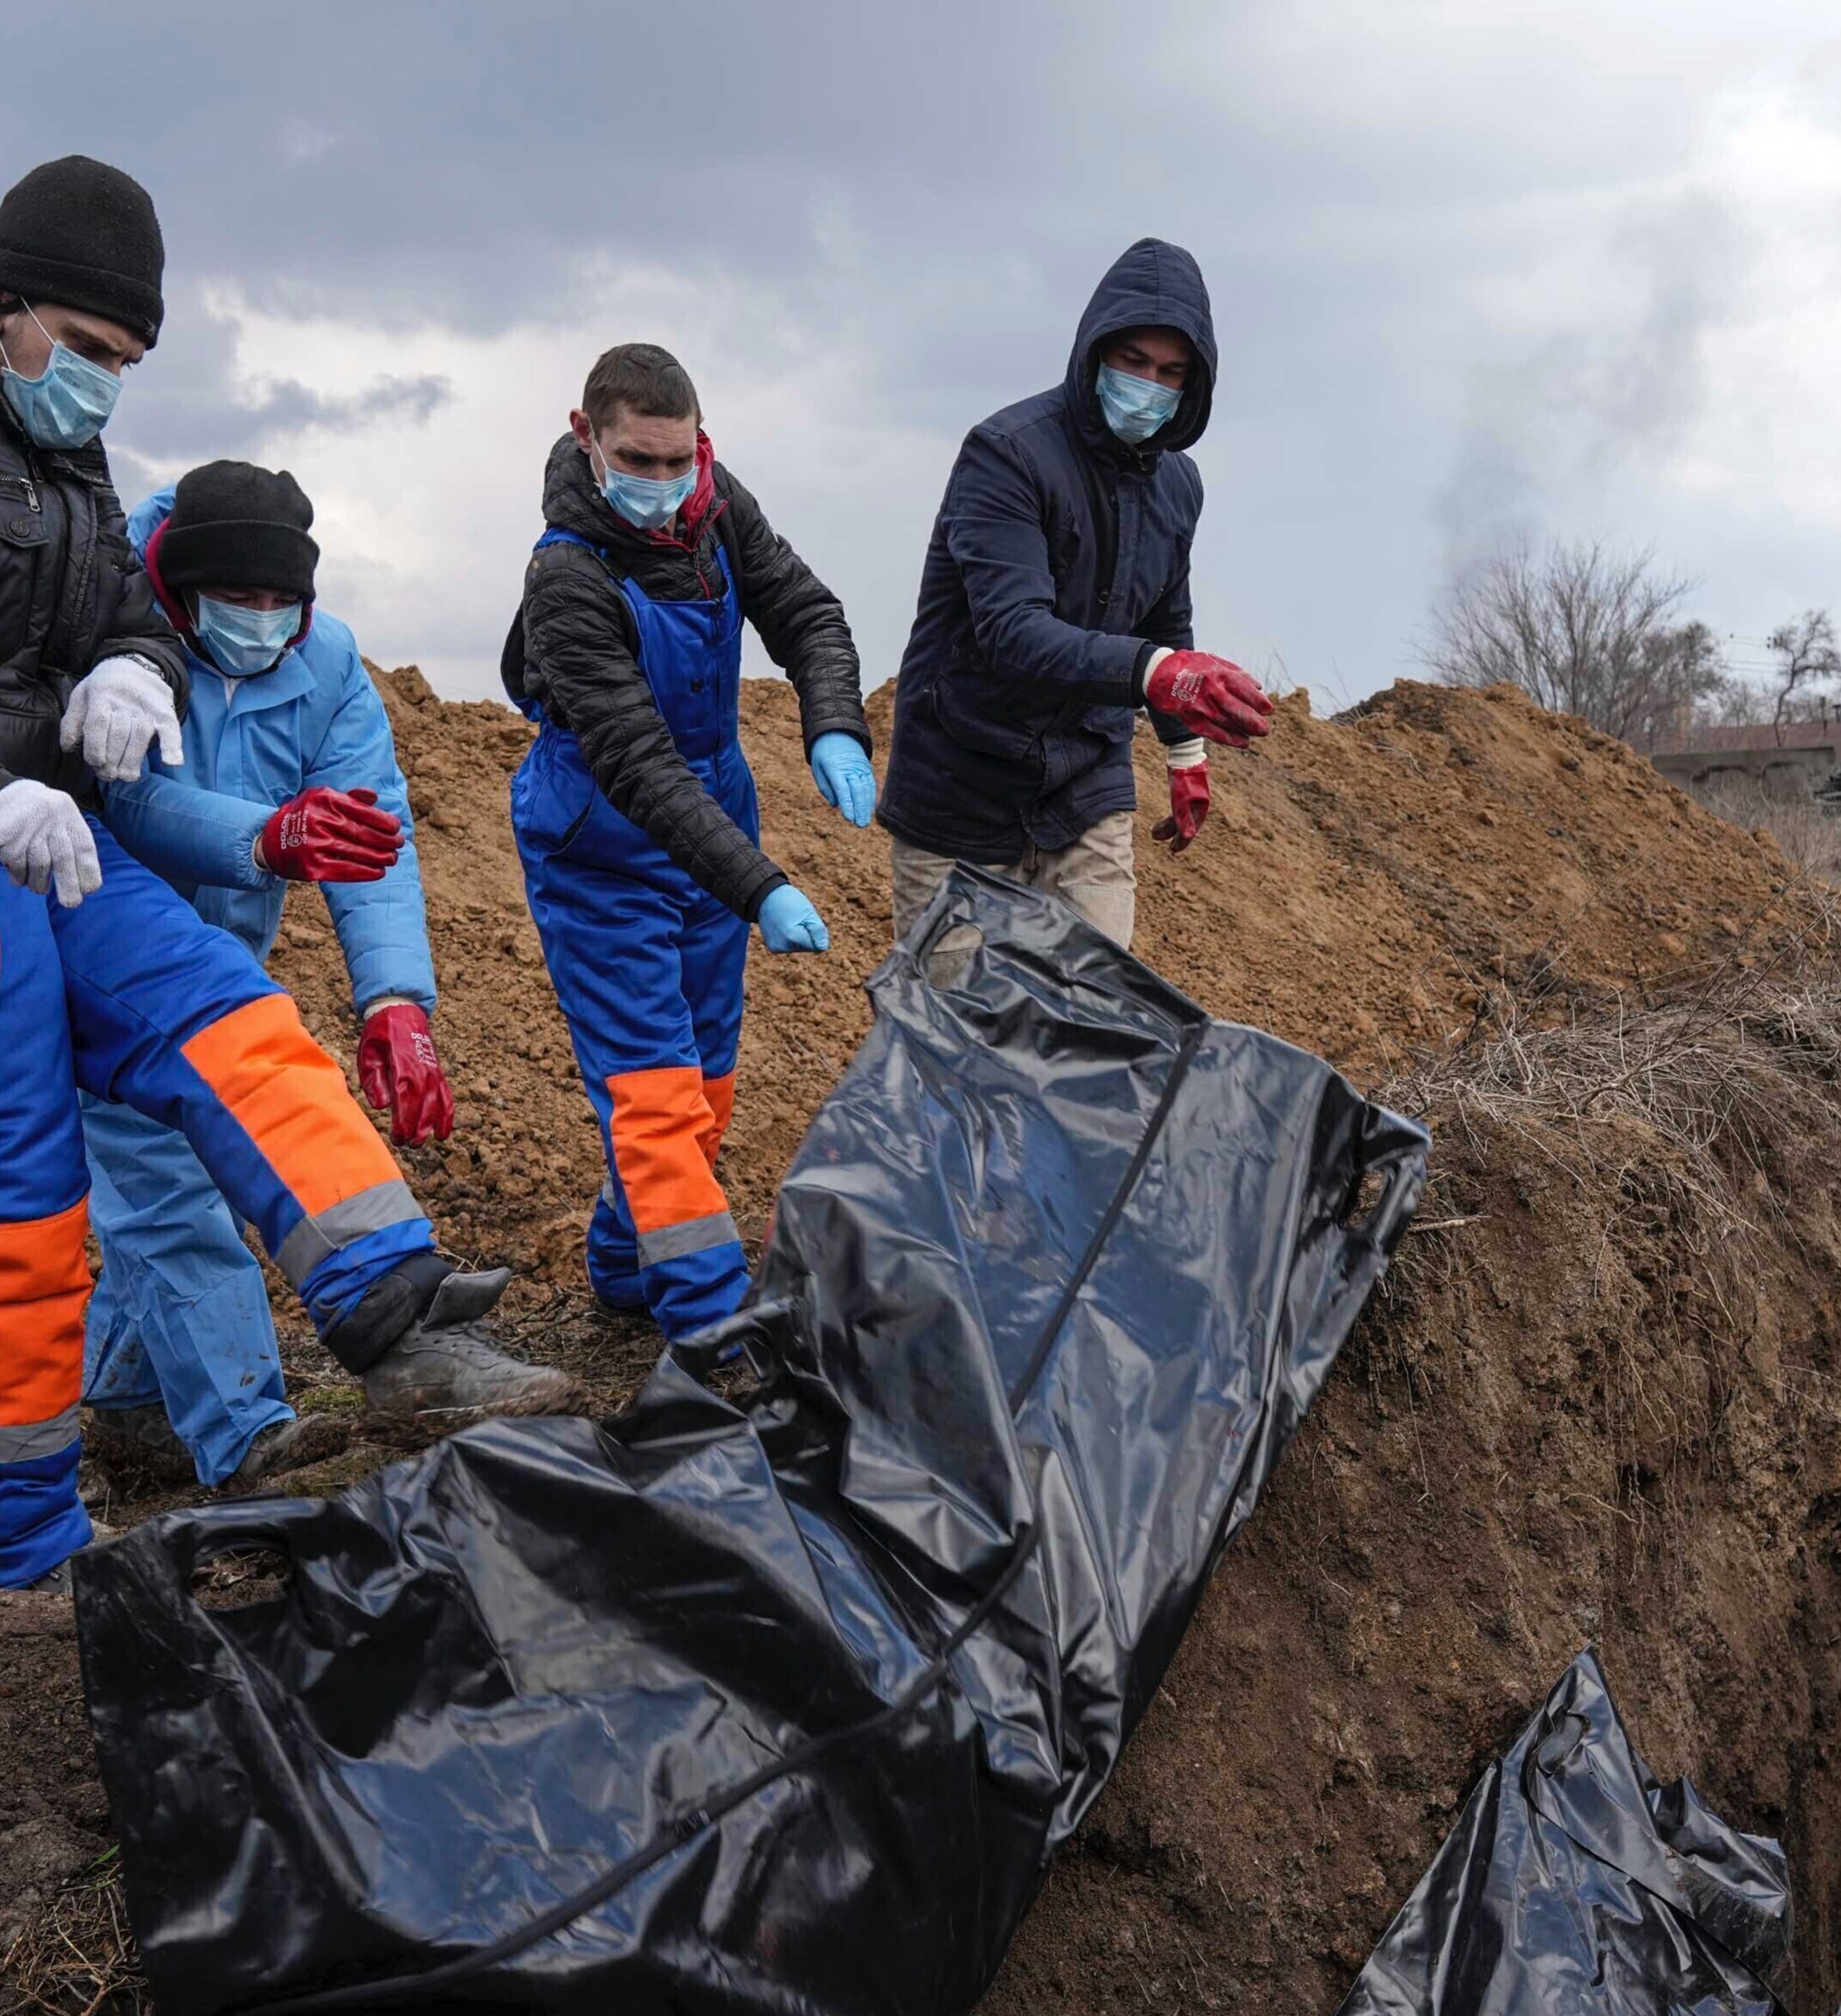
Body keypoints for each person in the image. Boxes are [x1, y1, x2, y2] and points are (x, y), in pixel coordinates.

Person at [0, 157, 569, 1592]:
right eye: (93, 349)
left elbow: (128, 611)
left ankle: (400, 1314)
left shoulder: (64, 460)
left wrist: (129, 662)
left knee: (232, 1016)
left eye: (127, 362)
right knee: (20, 1195)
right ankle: (22, 1552)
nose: (106, 384)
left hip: (40, 830)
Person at [77, 460, 448, 1492]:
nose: (261, 619)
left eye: (282, 601)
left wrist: (393, 999)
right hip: (103, 954)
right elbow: (124, 798)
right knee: (166, 1188)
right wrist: (265, 836)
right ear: (180, 584)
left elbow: (376, 833)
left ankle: (124, 1404)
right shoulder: (116, 637)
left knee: (163, 1182)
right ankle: (246, 1434)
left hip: (224, 965)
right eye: (237, 600)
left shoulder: (324, 663)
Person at [504, 342, 872, 1340]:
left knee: (705, 1082)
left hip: (712, 821)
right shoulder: (567, 578)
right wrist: (760, 886)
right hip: (603, 847)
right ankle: (711, 1331)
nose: (662, 485)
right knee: (655, 1097)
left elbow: (805, 610)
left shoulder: (716, 506)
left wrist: (831, 715)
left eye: (678, 461)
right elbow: (633, 759)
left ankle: (625, 1265)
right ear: (587, 438)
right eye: (638, 461)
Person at [879, 237, 1273, 950]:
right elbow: (1012, 631)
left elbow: (1164, 616)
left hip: (1085, 782)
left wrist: (1183, 753)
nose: (1150, 384)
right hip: (962, 781)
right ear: (1095, 352)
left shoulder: (1178, 485)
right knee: (958, 1041)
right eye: (1134, 362)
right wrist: (1156, 672)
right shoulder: (1007, 456)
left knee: (1097, 1027)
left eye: (1172, 372)